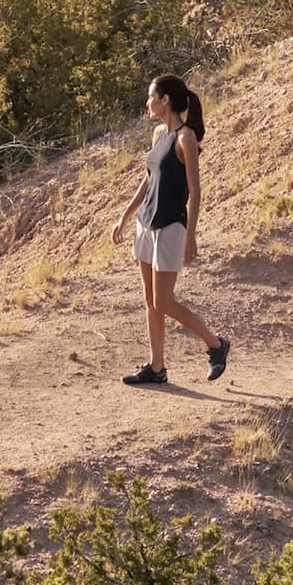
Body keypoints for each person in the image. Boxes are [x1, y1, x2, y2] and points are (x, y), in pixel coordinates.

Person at [111, 75, 230, 386]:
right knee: (151, 301)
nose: (147, 103)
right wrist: (126, 215)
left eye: (151, 96)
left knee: (164, 301)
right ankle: (157, 366)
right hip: (146, 224)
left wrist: (191, 234)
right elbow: (149, 179)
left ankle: (216, 345)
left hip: (170, 226)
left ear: (165, 100)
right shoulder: (158, 134)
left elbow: (196, 189)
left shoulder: (185, 137)